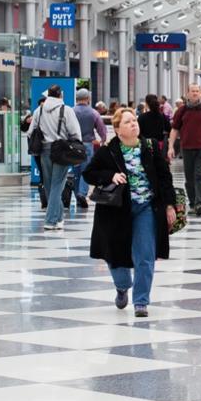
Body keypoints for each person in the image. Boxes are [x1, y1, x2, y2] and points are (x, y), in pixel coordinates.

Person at [83, 107, 176, 318]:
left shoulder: (150, 147)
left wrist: (169, 205)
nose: (134, 124)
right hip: (116, 210)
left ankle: (141, 301)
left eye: (134, 120)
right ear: (117, 129)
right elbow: (89, 174)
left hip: (146, 207)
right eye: (127, 122)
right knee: (114, 255)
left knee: (145, 255)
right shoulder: (108, 151)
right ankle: (123, 285)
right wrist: (110, 176)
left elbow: (165, 178)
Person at [27, 85, 83, 230]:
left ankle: (58, 218)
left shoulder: (39, 110)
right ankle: (50, 220)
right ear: (60, 95)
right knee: (58, 184)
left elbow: (30, 132)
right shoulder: (66, 110)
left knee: (49, 184)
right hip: (61, 150)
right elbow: (75, 132)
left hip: (44, 150)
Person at [169, 84, 201, 217]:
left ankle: (200, 204)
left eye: (197, 91)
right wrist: (170, 147)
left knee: (200, 176)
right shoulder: (182, 110)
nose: (195, 93)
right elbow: (174, 129)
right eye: (193, 91)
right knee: (189, 178)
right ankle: (192, 203)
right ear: (187, 93)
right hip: (186, 148)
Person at [72, 88, 108, 209]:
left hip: (73, 144)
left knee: (76, 172)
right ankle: (82, 193)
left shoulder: (71, 111)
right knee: (86, 170)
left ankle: (77, 195)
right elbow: (101, 128)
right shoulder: (93, 113)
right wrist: (103, 139)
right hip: (87, 144)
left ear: (76, 98)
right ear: (88, 99)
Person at [137, 94, 171, 161]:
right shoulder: (161, 116)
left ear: (146, 104)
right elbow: (169, 128)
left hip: (146, 145)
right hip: (160, 145)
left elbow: (138, 132)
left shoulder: (142, 117)